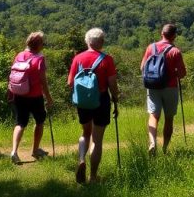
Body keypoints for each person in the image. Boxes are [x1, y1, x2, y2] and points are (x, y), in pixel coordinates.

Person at [67, 27, 120, 184]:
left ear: (87, 41)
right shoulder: (107, 59)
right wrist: (115, 98)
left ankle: (82, 159)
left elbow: (70, 82)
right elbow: (112, 84)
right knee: (97, 140)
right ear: (101, 42)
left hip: (82, 103)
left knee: (85, 133)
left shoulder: (78, 58)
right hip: (101, 101)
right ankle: (93, 176)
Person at [141, 23, 187, 155]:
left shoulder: (151, 47)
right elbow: (182, 73)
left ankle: (152, 142)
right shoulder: (175, 51)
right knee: (169, 118)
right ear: (174, 36)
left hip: (153, 86)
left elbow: (142, 67)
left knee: (154, 116)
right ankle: (165, 149)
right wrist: (176, 72)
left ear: (162, 34)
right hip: (170, 88)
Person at [8, 31, 54, 164]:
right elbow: (43, 82)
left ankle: (14, 151)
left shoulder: (19, 55)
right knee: (39, 121)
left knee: (20, 122)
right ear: (38, 44)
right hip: (35, 96)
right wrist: (49, 98)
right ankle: (35, 150)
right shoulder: (39, 59)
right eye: (42, 43)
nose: (43, 45)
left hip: (19, 94)